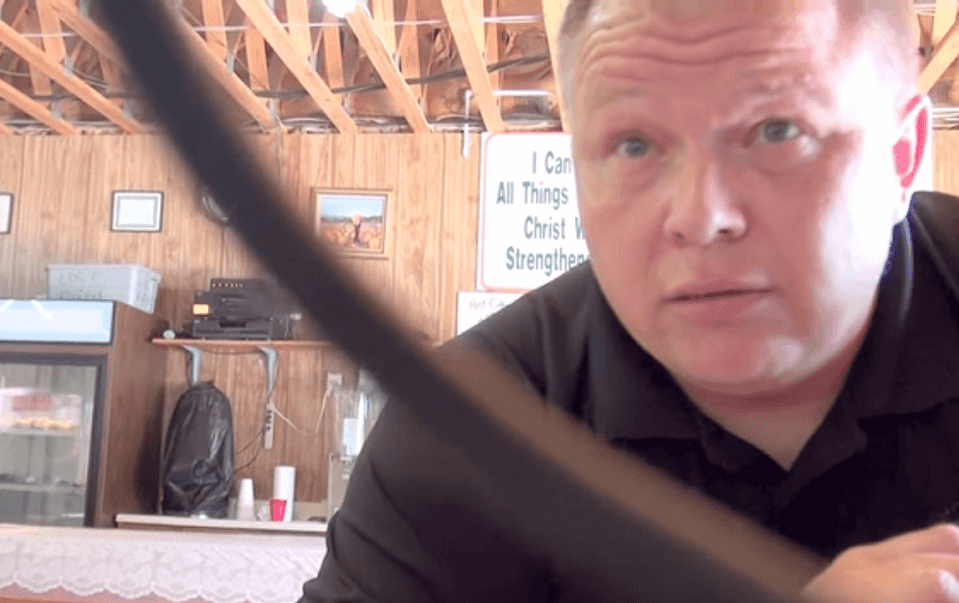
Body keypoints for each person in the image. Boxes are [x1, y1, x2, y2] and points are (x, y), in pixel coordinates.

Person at [300, 1, 959, 601]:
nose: (700, 217)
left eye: (777, 131)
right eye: (634, 145)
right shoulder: (462, 428)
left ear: (902, 157)